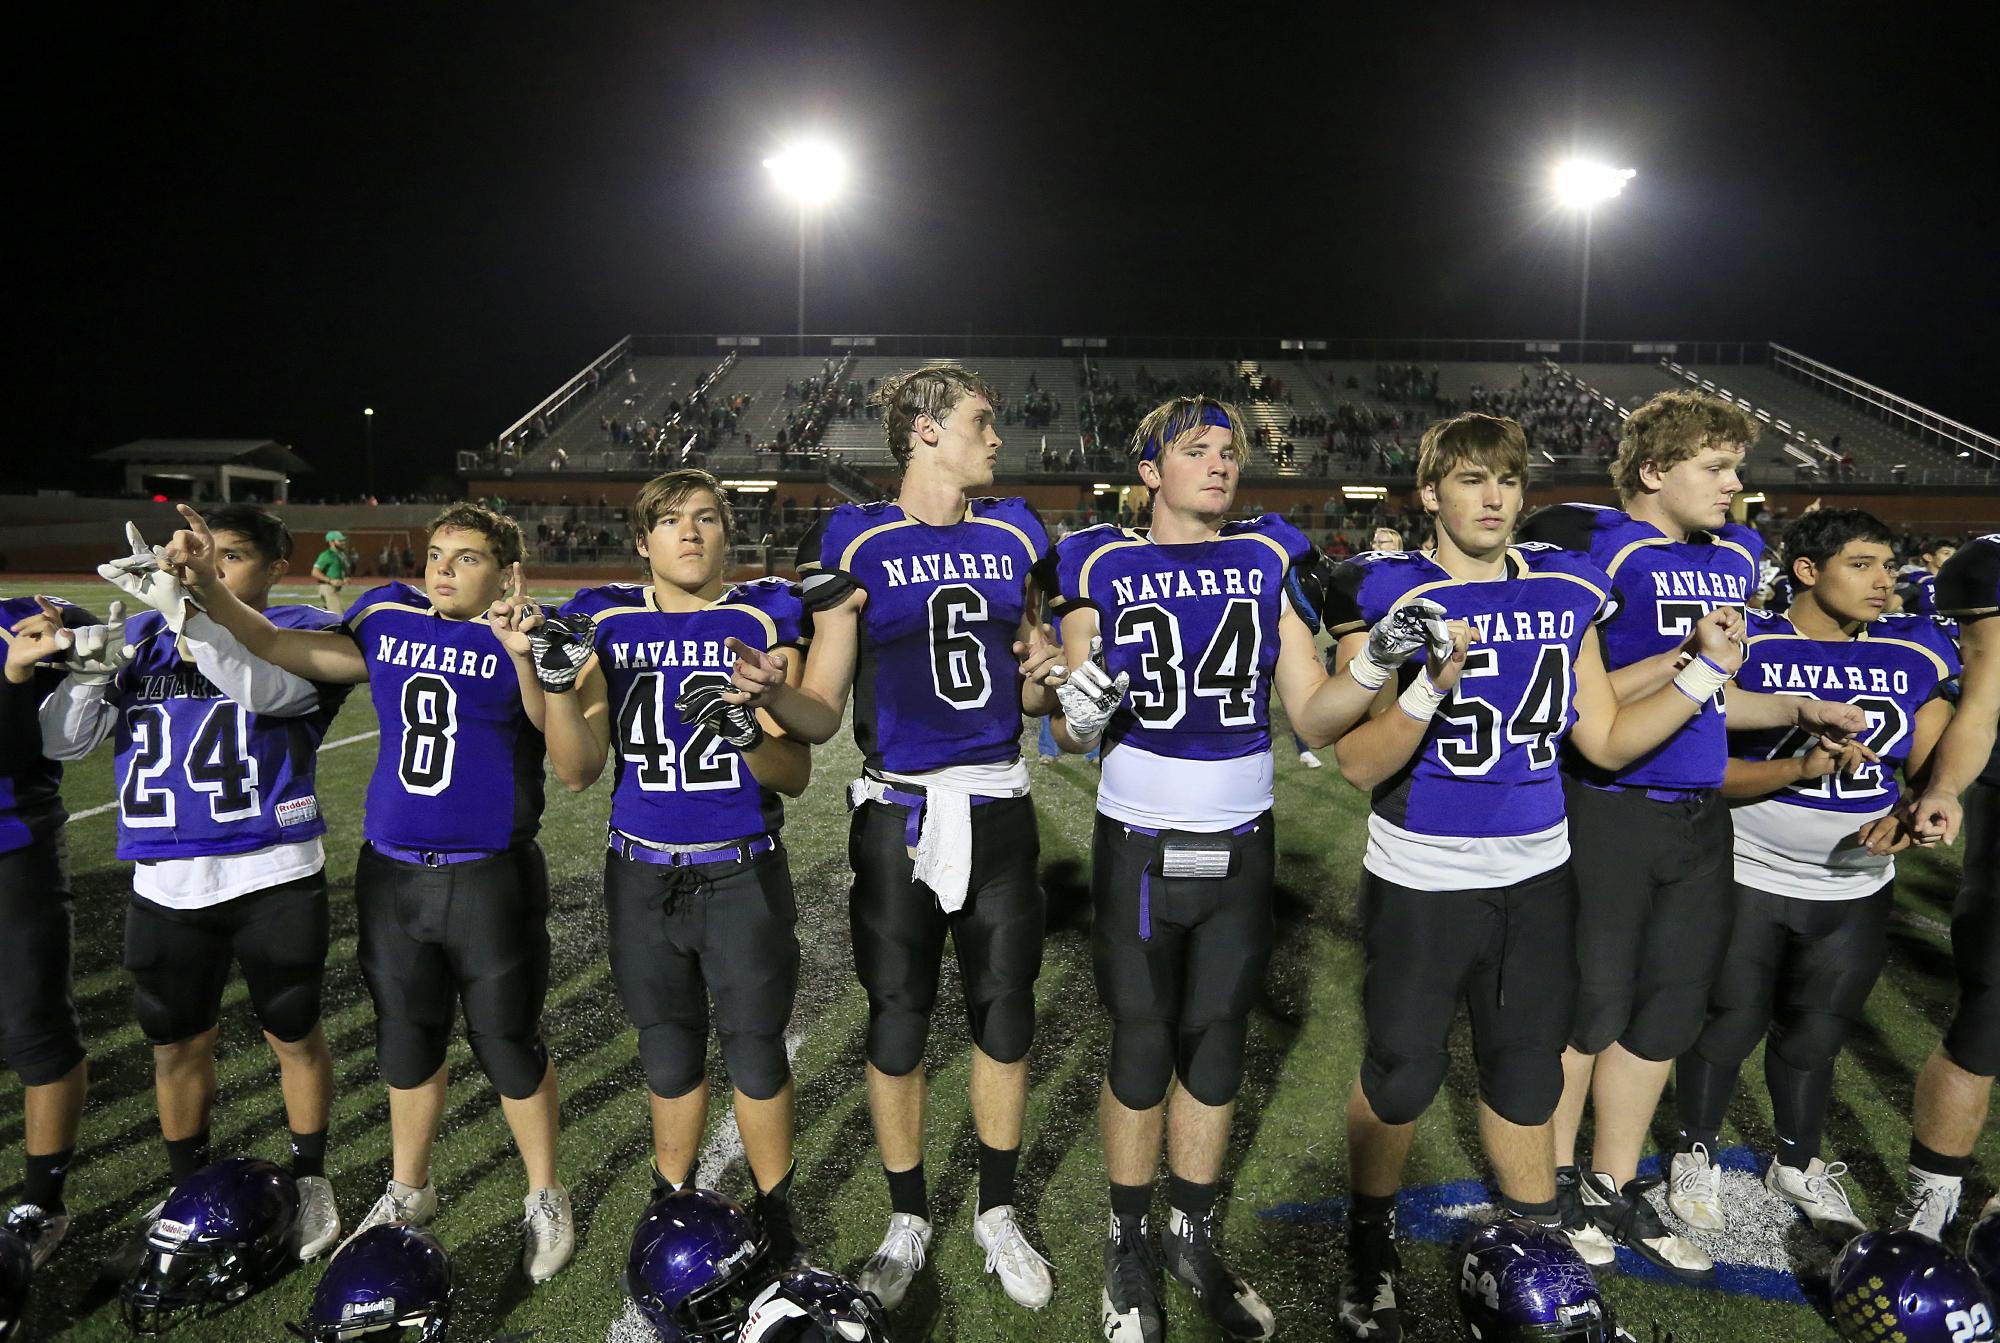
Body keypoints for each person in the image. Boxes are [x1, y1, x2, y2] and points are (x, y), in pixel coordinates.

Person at [1323, 412, 1748, 1340]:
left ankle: (1543, 1266)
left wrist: (1702, 676)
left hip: (1539, 874)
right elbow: (1355, 762)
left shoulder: (1566, 589)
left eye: (1509, 481)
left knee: (1526, 1075)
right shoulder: (1395, 588)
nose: (1494, 498)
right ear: (1430, 492)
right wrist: (1430, 685)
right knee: (1401, 1071)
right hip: (1423, 870)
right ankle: (1369, 1247)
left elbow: (1601, 736)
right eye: (1472, 479)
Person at [1040, 396, 1394, 1343]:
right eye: (1195, 450)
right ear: (1150, 470)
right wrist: (1083, 694)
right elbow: (1073, 732)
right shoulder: (1099, 561)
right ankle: (1125, 1239)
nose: (1220, 464)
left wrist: (1371, 671)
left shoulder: (1269, 554)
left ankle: (1191, 1233)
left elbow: (1312, 717)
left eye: (1230, 450)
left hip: (1242, 835)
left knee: (1219, 1038)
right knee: (1146, 1041)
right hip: (1143, 840)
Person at [162, 501, 577, 1283]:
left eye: (467, 557)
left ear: (507, 572)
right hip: (392, 872)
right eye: (438, 554)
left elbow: (564, 749)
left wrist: (525, 656)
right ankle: (408, 1186)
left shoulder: (531, 632)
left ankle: (543, 1191)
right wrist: (206, 592)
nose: (445, 568)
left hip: (489, 873)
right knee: (405, 1038)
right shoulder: (387, 617)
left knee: (509, 1043)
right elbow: (282, 645)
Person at [726, 364, 1064, 1312]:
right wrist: (769, 699)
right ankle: (907, 1215)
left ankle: (996, 1211)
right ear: (924, 430)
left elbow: (1028, 680)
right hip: (900, 811)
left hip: (998, 802)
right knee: (899, 1021)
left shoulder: (1016, 534)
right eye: (980, 421)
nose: (996, 438)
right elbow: (824, 710)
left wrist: (1045, 677)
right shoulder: (855, 538)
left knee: (1005, 1015)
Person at [1517, 391, 1865, 1279]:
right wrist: (1692, 660)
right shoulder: (1595, 550)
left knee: (1666, 1013)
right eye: (1715, 466)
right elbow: (1580, 698)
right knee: (1590, 1009)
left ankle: (1613, 1183)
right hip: (1609, 807)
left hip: (1700, 814)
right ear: (1652, 470)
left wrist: (1797, 705)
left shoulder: (1734, 555)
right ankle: (1551, 1183)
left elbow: (1715, 692)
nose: (1735, 484)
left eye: (1735, 467)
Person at [38, 507, 350, 1263]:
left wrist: (190, 602)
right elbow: (64, 742)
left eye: (233, 555)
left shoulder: (307, 627)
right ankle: (188, 1183)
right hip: (166, 876)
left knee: (293, 1034)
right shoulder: (144, 635)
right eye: (205, 556)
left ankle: (310, 1177)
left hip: (271, 867)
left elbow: (265, 692)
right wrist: (84, 672)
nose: (209, 566)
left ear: (277, 566)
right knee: (175, 1047)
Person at [536, 469, 811, 1265]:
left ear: (729, 533)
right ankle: (673, 1200)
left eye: (705, 518)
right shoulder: (606, 619)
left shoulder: (764, 614)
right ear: (642, 540)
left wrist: (747, 731)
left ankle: (776, 1211)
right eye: (669, 520)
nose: (688, 532)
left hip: (741, 869)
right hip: (642, 871)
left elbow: (793, 772)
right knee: (667, 1049)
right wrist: (557, 686)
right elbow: (580, 768)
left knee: (756, 1048)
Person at [1669, 509, 1958, 1241]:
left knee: (1815, 1035)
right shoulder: (1750, 643)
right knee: (1728, 1020)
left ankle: (1795, 1160)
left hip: (1855, 882)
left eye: (1888, 565)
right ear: (1807, 569)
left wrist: (1913, 808)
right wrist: (1797, 767)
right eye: (1862, 563)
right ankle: (1692, 1149)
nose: (1884, 581)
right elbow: (1704, 769)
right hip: (1749, 866)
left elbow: (1928, 766)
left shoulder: (1917, 648)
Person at [1896, 532, 2000, 1239]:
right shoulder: (1989, 574)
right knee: (1989, 1009)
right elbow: (1984, 702)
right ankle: (1931, 1204)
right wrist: (1947, 786)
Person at [0, 595, 102, 1266]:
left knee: (36, 1026)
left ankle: (43, 1201)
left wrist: (17, 674)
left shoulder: (29, 616)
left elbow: (19, 749)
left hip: (13, 851)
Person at [311, 530, 351, 615]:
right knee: (338, 616)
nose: (343, 542)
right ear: (331, 542)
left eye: (343, 540)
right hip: (327, 588)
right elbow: (315, 572)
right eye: (340, 541)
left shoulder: (340, 554)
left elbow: (338, 569)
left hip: (333, 588)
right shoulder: (326, 555)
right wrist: (330, 580)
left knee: (328, 616)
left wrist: (344, 578)